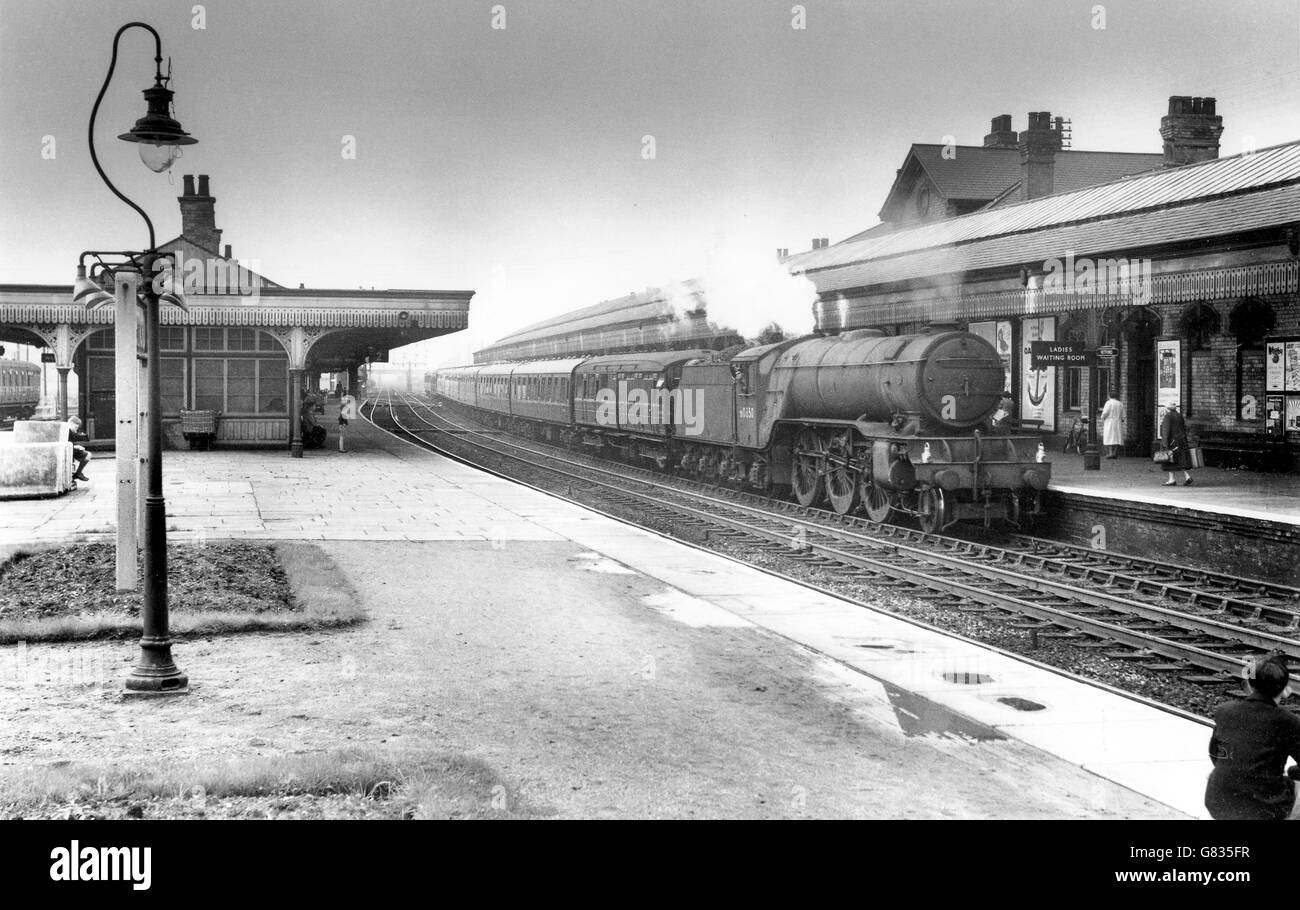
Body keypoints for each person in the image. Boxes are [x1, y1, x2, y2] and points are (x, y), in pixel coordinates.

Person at [1205, 652, 1300, 820]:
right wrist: (1292, 773)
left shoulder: (1225, 711)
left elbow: (1215, 754)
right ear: (1285, 688)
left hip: (1218, 801)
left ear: (1249, 684)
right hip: (1263, 809)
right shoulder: (1289, 721)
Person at [1158, 403, 1193, 486]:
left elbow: (1166, 431)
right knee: (1180, 460)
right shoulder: (1179, 416)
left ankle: (1172, 480)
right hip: (1181, 441)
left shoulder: (1168, 416)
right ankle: (1187, 476)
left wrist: (1164, 444)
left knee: (1169, 460)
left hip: (1171, 442)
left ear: (1168, 408)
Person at [1100, 391, 1126, 459]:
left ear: (1109, 396)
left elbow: (1105, 413)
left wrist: (1102, 417)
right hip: (1118, 422)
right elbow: (1123, 415)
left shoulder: (1108, 403)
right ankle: (1114, 453)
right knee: (1116, 438)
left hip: (1109, 422)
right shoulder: (1120, 403)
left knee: (1109, 438)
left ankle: (1110, 453)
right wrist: (1121, 419)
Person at [67, 416, 90, 483]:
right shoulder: (66, 431)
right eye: (76, 427)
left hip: (71, 449)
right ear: (71, 423)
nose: (76, 429)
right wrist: (76, 446)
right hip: (70, 449)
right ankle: (78, 473)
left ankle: (78, 473)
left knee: (88, 455)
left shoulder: (70, 431)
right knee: (88, 455)